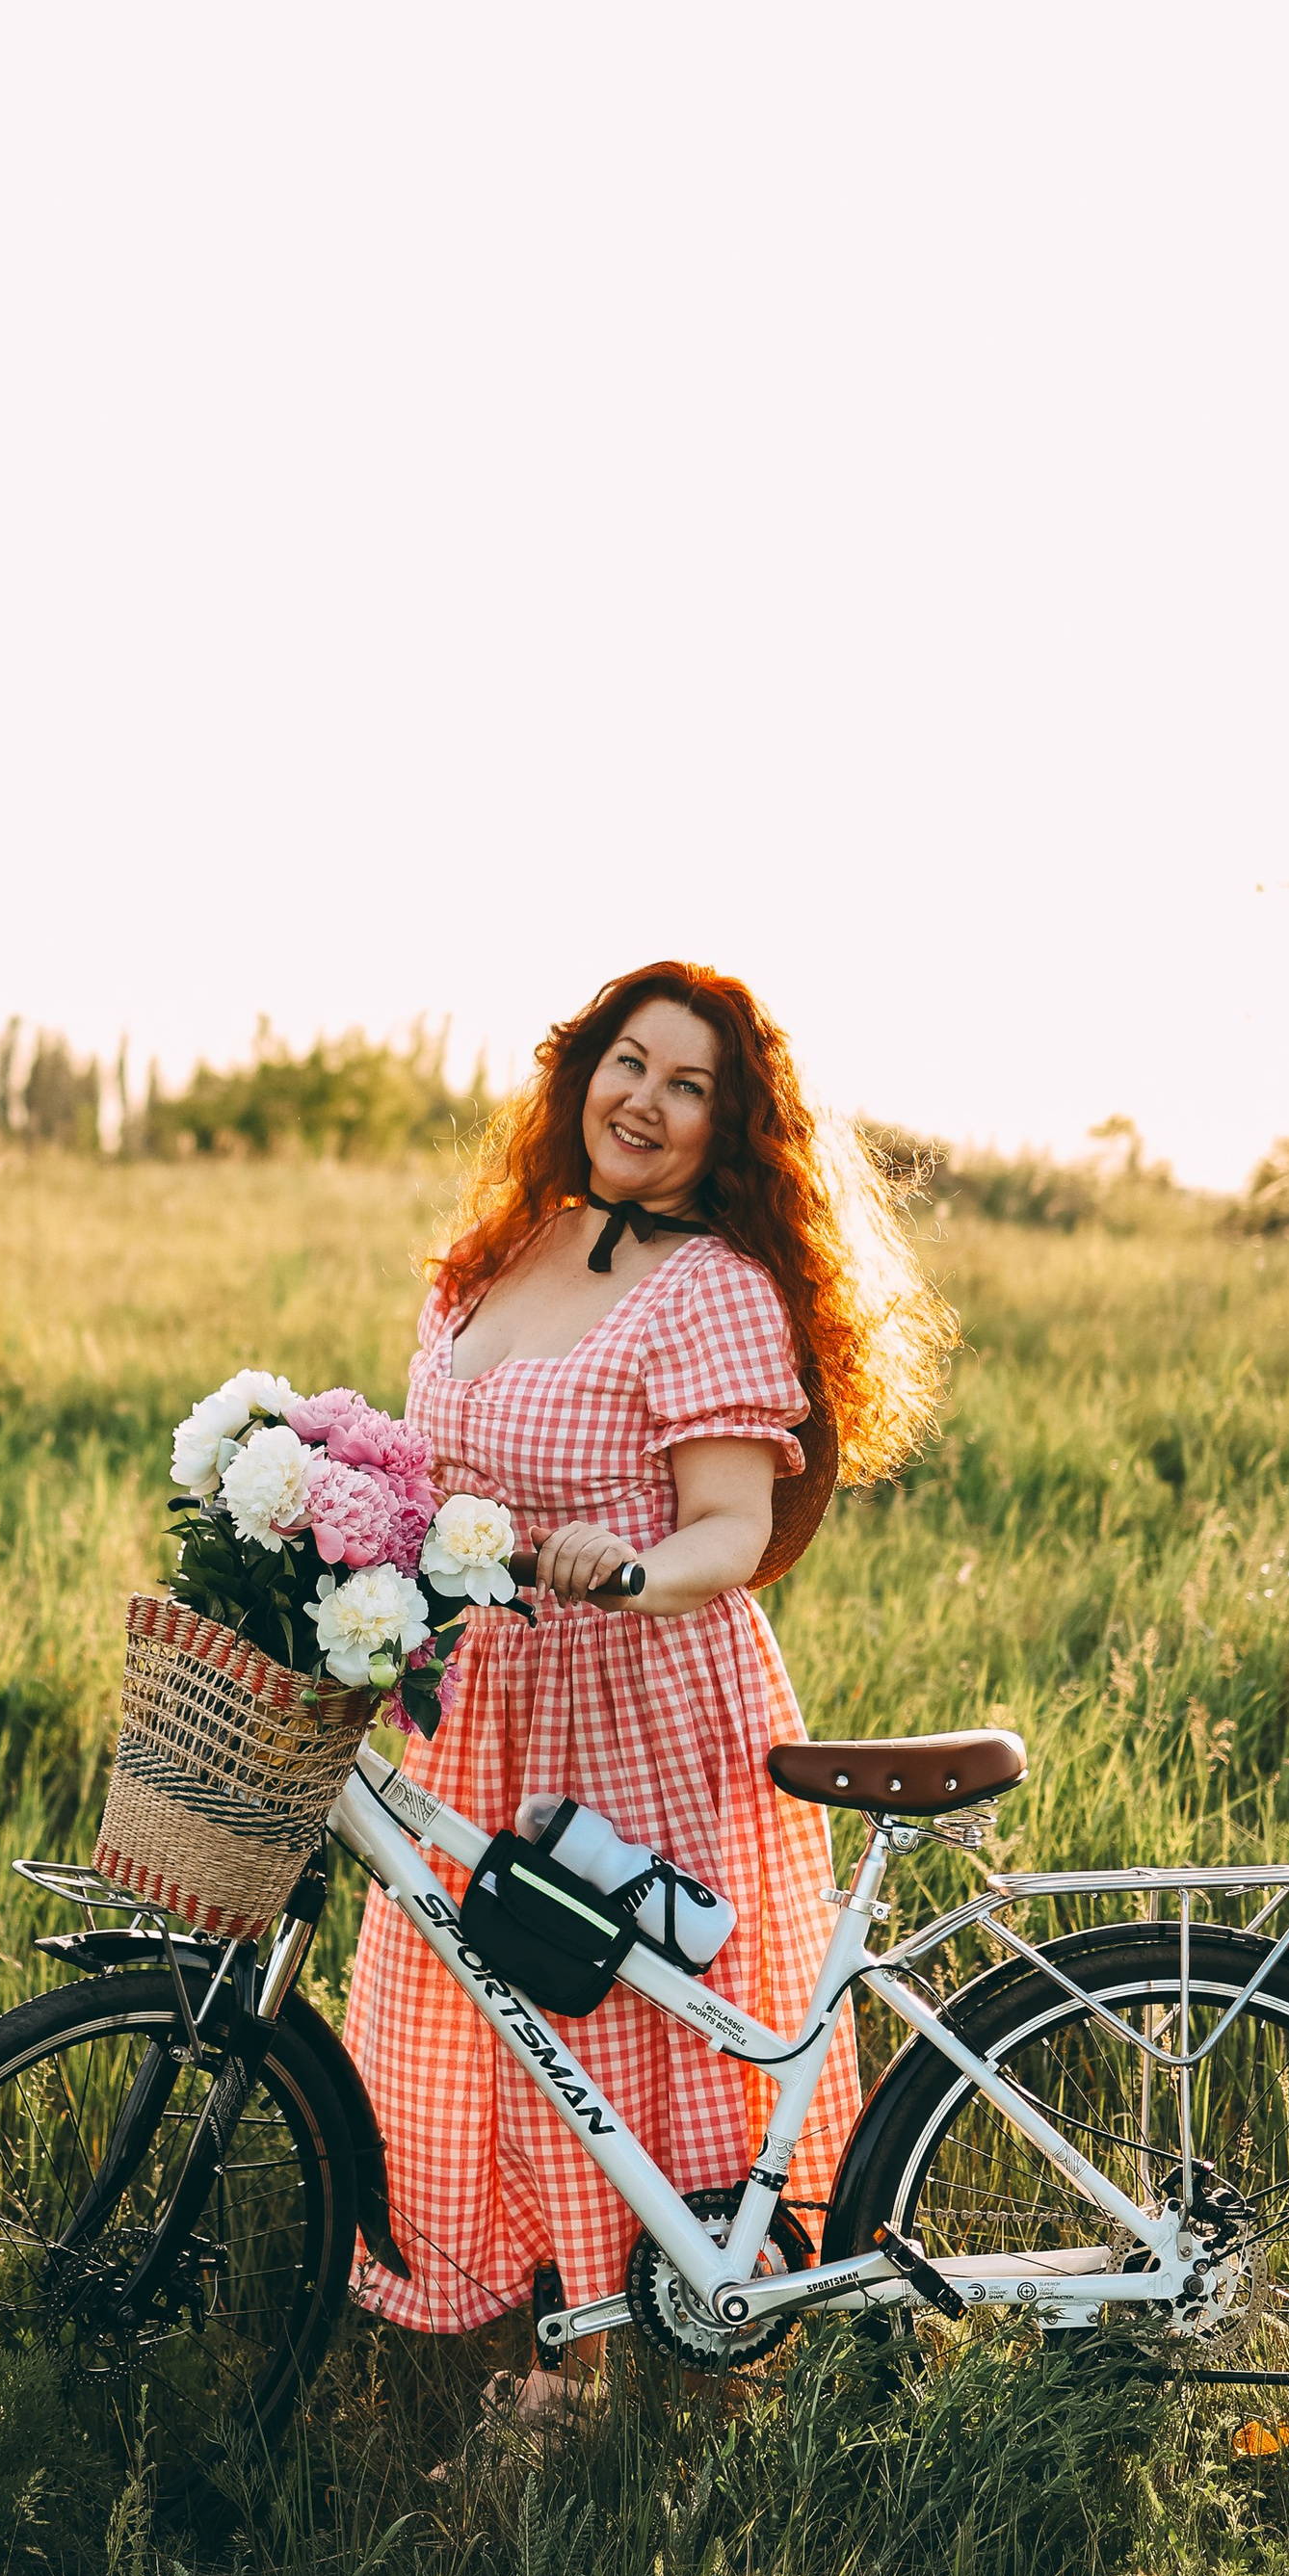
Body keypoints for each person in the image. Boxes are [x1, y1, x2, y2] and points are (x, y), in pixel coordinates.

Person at [342, 959, 954, 2420]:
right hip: (479, 1690)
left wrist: (629, 1566)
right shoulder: (503, 1249)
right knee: (478, 2008)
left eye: (691, 1088)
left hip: (635, 1697)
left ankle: (607, 2369)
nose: (648, 1102)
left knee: (605, 2024)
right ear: (581, 1074)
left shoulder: (715, 1291)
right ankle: (542, 2331)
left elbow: (734, 1531)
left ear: (727, 1131)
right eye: (630, 1063)